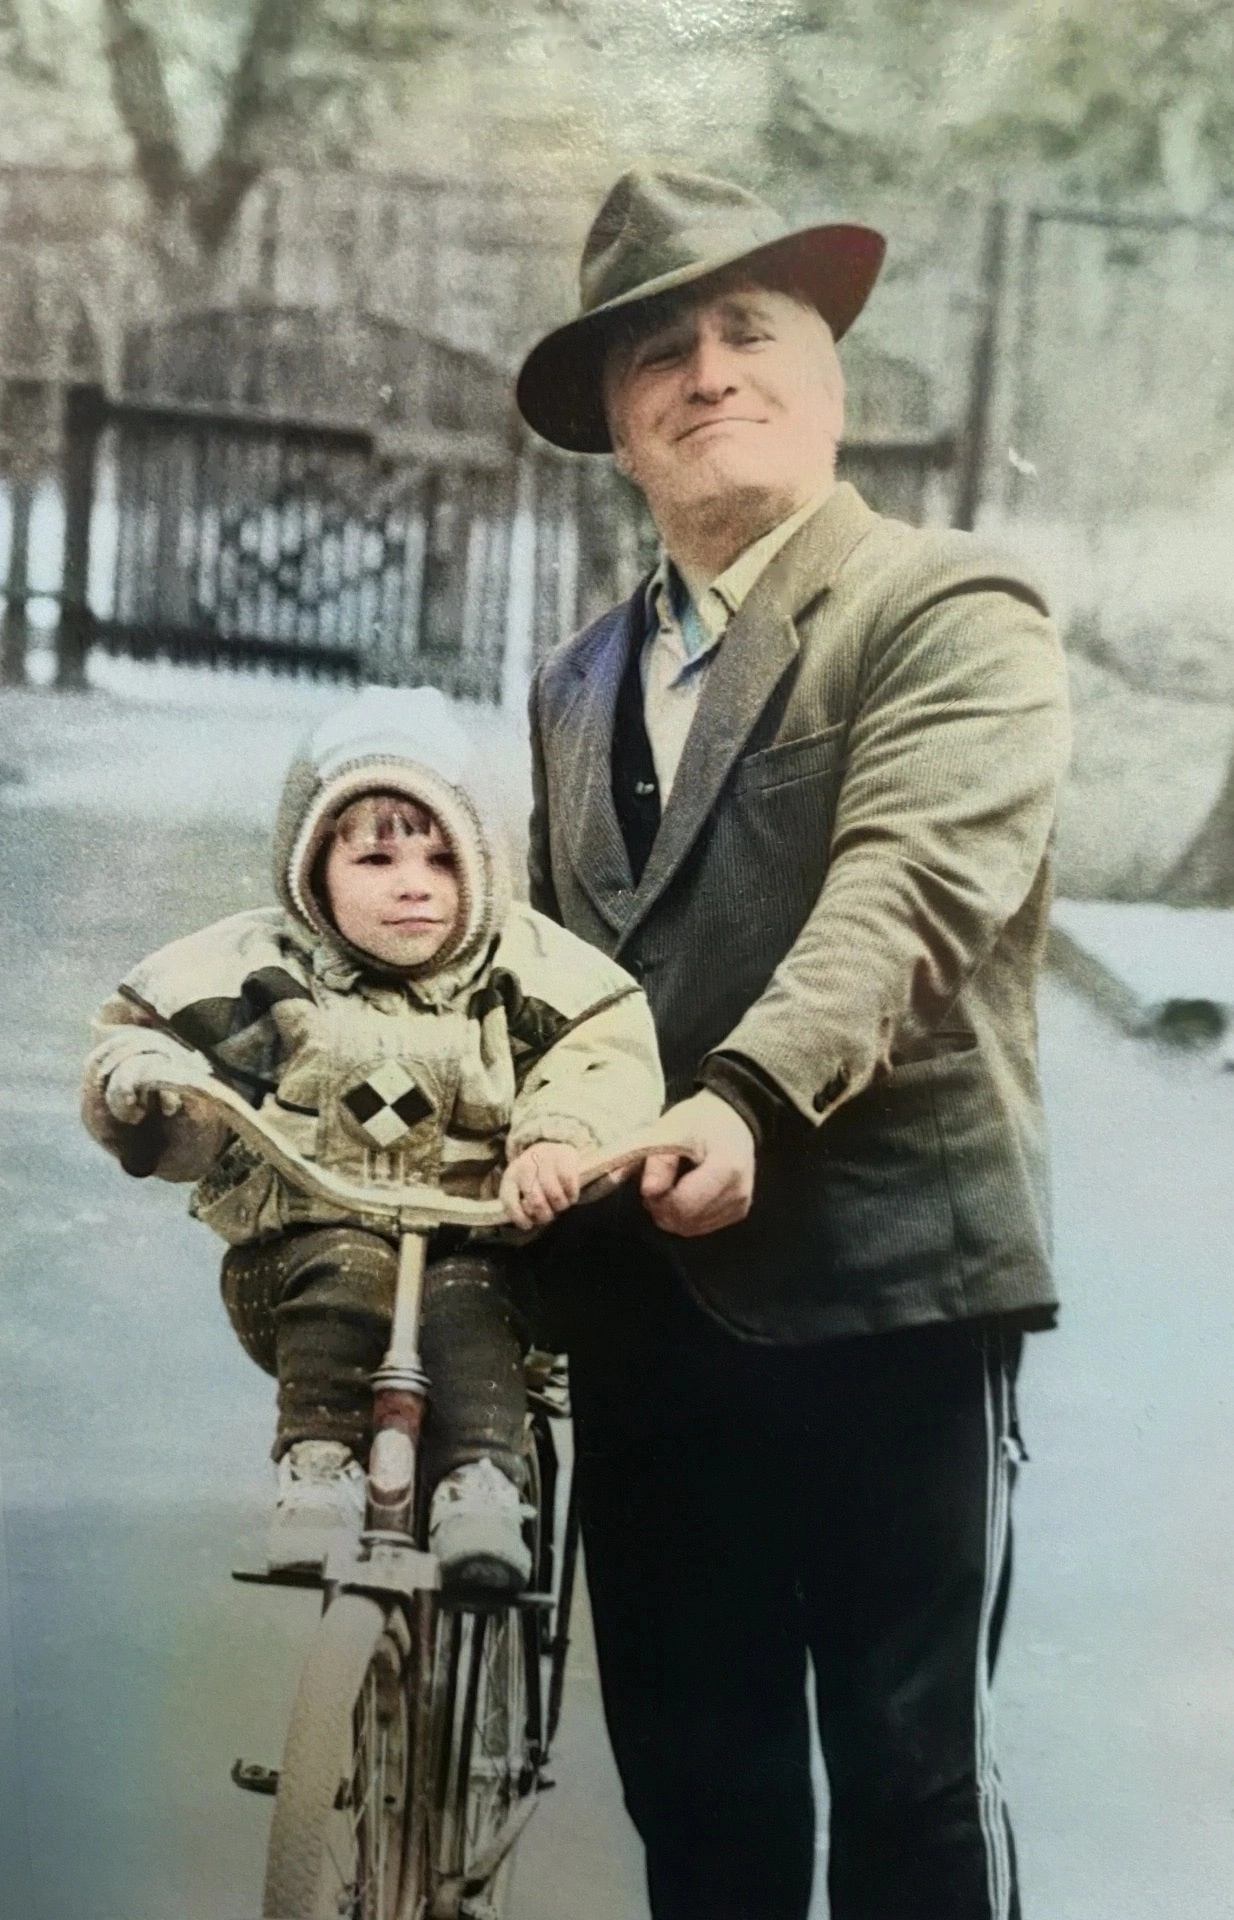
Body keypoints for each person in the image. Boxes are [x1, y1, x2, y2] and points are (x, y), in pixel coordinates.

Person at [517, 168, 1072, 1920]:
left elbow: (908, 890)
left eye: (749, 332)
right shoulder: (571, 684)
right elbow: (545, 979)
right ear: (618, 426)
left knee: (909, 1792)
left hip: (881, 1297)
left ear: (825, 382)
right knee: (700, 1797)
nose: (708, 374)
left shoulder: (945, 607)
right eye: (657, 353)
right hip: (643, 1314)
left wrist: (747, 1095)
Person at [80, 685, 663, 1585]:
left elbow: (604, 1044)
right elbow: (142, 1027)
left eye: (443, 858)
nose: (414, 884)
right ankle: (318, 1468)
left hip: (479, 1243)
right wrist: (151, 1086)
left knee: (470, 1302)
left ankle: (482, 1484)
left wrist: (558, 1135)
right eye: (376, 858)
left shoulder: (519, 968)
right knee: (343, 1272)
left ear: (480, 866)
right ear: (312, 869)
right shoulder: (263, 967)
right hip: (298, 1257)